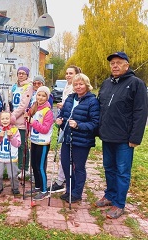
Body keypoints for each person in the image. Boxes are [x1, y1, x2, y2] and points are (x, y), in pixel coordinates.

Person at [96, 52, 147, 219]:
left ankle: (119, 203)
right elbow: (100, 107)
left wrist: (135, 137)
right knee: (109, 168)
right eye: (112, 63)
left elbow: (141, 112)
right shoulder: (106, 84)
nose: (115, 66)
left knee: (122, 171)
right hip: (107, 136)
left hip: (125, 139)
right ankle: (110, 195)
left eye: (118, 63)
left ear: (127, 65)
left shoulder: (136, 84)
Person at [56, 73, 99, 204]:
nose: (78, 87)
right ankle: (69, 190)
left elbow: (95, 123)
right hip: (67, 137)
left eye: (81, 84)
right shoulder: (70, 98)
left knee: (78, 167)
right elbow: (63, 115)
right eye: (76, 84)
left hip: (82, 140)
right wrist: (60, 120)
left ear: (87, 85)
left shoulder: (92, 101)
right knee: (65, 164)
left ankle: (77, 193)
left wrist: (78, 125)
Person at [48, 65, 81, 193]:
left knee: (69, 154)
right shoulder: (66, 87)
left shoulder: (76, 88)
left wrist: (64, 106)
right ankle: (63, 178)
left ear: (76, 75)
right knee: (64, 153)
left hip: (73, 124)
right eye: (66, 73)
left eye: (71, 73)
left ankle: (65, 179)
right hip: (64, 123)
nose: (68, 75)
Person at [25, 86, 54, 200]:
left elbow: (45, 129)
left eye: (43, 96)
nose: (40, 98)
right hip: (34, 141)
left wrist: (33, 122)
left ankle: (44, 190)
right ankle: (37, 186)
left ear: (47, 97)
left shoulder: (48, 111)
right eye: (38, 95)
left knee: (40, 166)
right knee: (34, 165)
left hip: (43, 143)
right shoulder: (34, 108)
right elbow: (30, 123)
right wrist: (28, 119)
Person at [11, 66, 33, 178]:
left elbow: (24, 104)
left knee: (23, 145)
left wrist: (12, 116)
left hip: (21, 120)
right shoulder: (15, 86)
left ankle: (25, 169)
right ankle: (17, 167)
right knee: (16, 144)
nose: (20, 75)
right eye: (19, 73)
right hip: (14, 120)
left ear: (27, 75)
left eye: (23, 73)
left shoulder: (29, 86)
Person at [0, 112, 21, 195]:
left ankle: (15, 187)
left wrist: (11, 137)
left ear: (11, 119)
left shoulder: (15, 130)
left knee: (12, 175)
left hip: (11, 157)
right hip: (0, 156)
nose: (5, 120)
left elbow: (18, 144)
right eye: (3, 119)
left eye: (7, 118)